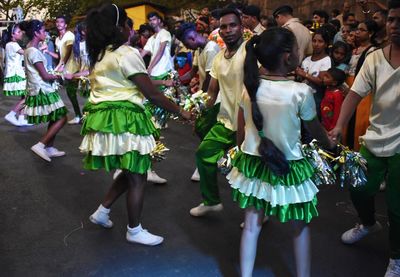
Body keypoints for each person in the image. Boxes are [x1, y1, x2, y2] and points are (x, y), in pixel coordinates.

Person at [81, 4, 191, 246]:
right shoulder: (126, 53)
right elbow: (151, 94)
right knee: (138, 176)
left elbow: (134, 80)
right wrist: (182, 111)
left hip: (105, 123)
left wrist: (161, 81)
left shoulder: (100, 54)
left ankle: (102, 212)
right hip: (126, 122)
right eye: (129, 24)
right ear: (120, 27)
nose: (131, 29)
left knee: (130, 170)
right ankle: (134, 230)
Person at [228, 27, 334, 277]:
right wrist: (330, 144)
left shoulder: (250, 88)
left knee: (251, 225)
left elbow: (241, 129)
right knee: (299, 226)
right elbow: (315, 130)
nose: (301, 51)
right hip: (289, 166)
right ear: (288, 56)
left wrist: (238, 150)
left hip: (253, 163)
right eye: (298, 48)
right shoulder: (301, 92)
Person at [329, 1, 400, 275]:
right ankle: (368, 223)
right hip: (375, 138)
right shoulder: (374, 58)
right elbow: (355, 95)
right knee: (358, 187)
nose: (395, 26)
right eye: (392, 20)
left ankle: (396, 257)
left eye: (399, 21)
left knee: (397, 206)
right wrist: (338, 126)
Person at [190, 8, 245, 217]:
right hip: (225, 121)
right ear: (218, 30)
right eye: (223, 26)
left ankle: (258, 213)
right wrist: (199, 108)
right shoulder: (220, 58)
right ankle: (211, 201)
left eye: (233, 25)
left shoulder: (250, 52)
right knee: (204, 154)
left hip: (248, 124)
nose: (228, 30)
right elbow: (212, 91)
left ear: (241, 27)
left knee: (248, 171)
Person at [175, 22, 221, 182]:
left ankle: (207, 163)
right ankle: (213, 160)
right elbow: (192, 73)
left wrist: (198, 103)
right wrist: (175, 80)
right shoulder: (199, 50)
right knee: (204, 131)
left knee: (204, 129)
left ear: (192, 37)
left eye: (187, 43)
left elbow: (210, 79)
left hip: (214, 98)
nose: (187, 47)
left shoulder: (212, 48)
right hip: (205, 96)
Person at [21, 20, 68, 162]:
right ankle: (41, 145)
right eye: (43, 31)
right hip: (43, 89)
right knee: (62, 117)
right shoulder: (34, 51)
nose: (45, 33)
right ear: (36, 33)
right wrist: (62, 76)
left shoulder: (30, 48)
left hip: (40, 88)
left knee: (55, 116)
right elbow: (45, 75)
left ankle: (49, 147)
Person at [296, 27, 332, 119]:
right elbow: (300, 79)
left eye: (320, 41)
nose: (316, 44)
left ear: (326, 44)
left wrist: (305, 74)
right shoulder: (307, 60)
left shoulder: (326, 60)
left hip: (316, 100)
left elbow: (321, 82)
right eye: (314, 41)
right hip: (302, 99)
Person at [54, 15, 81, 124]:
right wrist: (47, 51)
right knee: (71, 93)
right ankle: (79, 115)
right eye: (57, 22)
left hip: (73, 67)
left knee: (72, 92)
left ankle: (79, 116)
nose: (58, 24)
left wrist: (61, 64)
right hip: (65, 68)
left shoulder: (69, 35)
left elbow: (69, 51)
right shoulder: (57, 39)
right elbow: (59, 55)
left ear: (65, 25)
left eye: (61, 22)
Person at [3, 23, 31, 127]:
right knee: (28, 96)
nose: (21, 34)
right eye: (18, 32)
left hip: (17, 71)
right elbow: (27, 53)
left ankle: (21, 118)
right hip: (16, 73)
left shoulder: (11, 44)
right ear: (12, 35)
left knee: (24, 95)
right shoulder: (13, 44)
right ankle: (12, 114)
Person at [142, 12, 174, 80]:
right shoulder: (151, 39)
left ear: (159, 20)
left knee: (170, 89)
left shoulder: (165, 33)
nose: (152, 22)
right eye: (150, 20)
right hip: (154, 72)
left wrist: (150, 67)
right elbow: (142, 53)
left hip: (166, 70)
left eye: (154, 19)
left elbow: (161, 51)